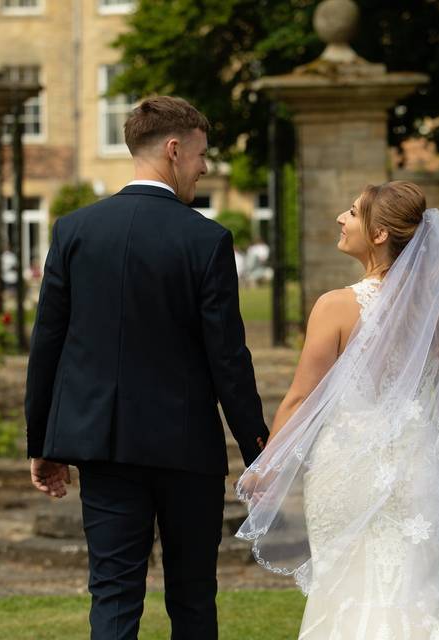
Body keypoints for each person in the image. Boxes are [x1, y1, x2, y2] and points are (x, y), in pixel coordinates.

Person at [25, 95, 269, 640]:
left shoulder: (74, 231)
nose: (205, 167)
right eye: (202, 154)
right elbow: (228, 360)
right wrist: (258, 451)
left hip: (104, 447)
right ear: (175, 150)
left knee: (112, 596)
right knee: (193, 601)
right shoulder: (206, 240)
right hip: (187, 450)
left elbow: (48, 346)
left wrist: (42, 443)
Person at [236, 181, 439, 639]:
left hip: (347, 472)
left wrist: (267, 467)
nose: (341, 220)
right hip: (419, 468)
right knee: (414, 595)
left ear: (380, 233)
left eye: (351, 212)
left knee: (347, 592)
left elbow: (301, 398)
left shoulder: (337, 306)